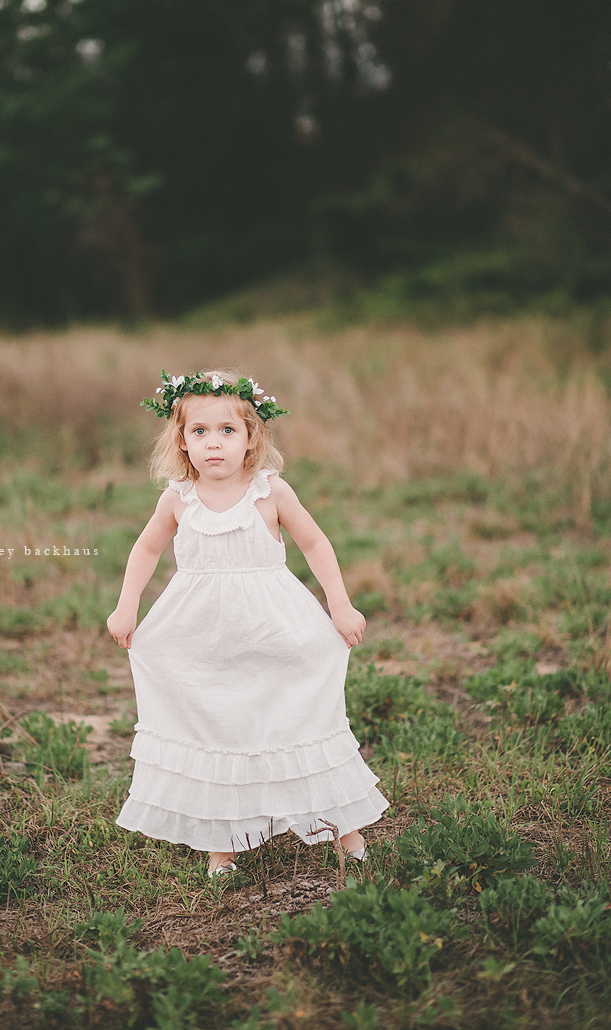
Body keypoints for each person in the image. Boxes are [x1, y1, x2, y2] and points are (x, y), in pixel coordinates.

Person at [107, 368, 389, 876]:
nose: (213, 444)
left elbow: (315, 544)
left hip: (273, 628)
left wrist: (340, 605)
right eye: (199, 432)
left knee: (300, 717)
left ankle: (344, 829)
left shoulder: (270, 492)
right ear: (181, 440)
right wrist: (127, 606)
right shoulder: (178, 497)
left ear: (251, 437)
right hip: (200, 635)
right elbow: (146, 548)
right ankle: (223, 840)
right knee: (217, 725)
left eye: (227, 431)